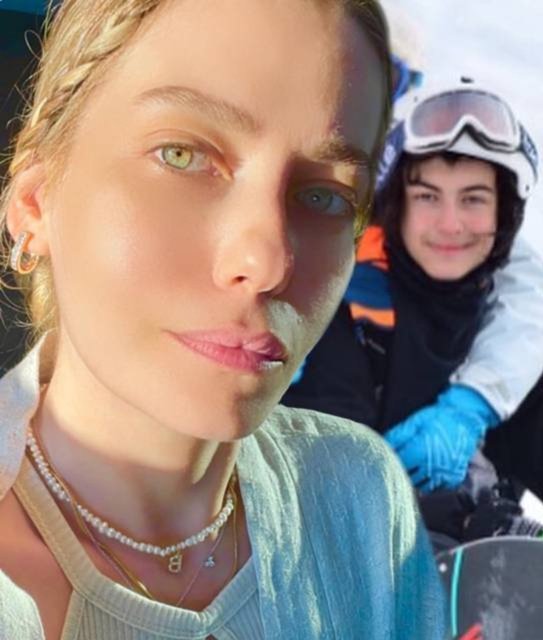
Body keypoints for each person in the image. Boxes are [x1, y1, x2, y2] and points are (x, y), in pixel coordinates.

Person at [0, 1, 446, 639]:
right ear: (35, 200)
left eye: (324, 196)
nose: (266, 261)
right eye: (182, 155)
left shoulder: (362, 500)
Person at [283, 81, 543, 549]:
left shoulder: (492, 339)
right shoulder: (339, 314)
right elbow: (329, 488)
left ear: (503, 215)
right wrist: (478, 528)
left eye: (473, 199)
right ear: (397, 206)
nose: (451, 224)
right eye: (428, 197)